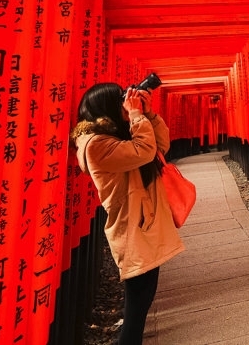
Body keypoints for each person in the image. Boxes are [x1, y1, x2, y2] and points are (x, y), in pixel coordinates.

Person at [72, 83, 185, 345]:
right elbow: (143, 152)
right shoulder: (95, 144)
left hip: (144, 218)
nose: (127, 103)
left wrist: (149, 115)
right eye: (121, 100)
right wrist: (136, 116)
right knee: (139, 292)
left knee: (145, 290)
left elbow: (160, 146)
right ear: (108, 106)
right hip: (132, 223)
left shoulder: (119, 134)